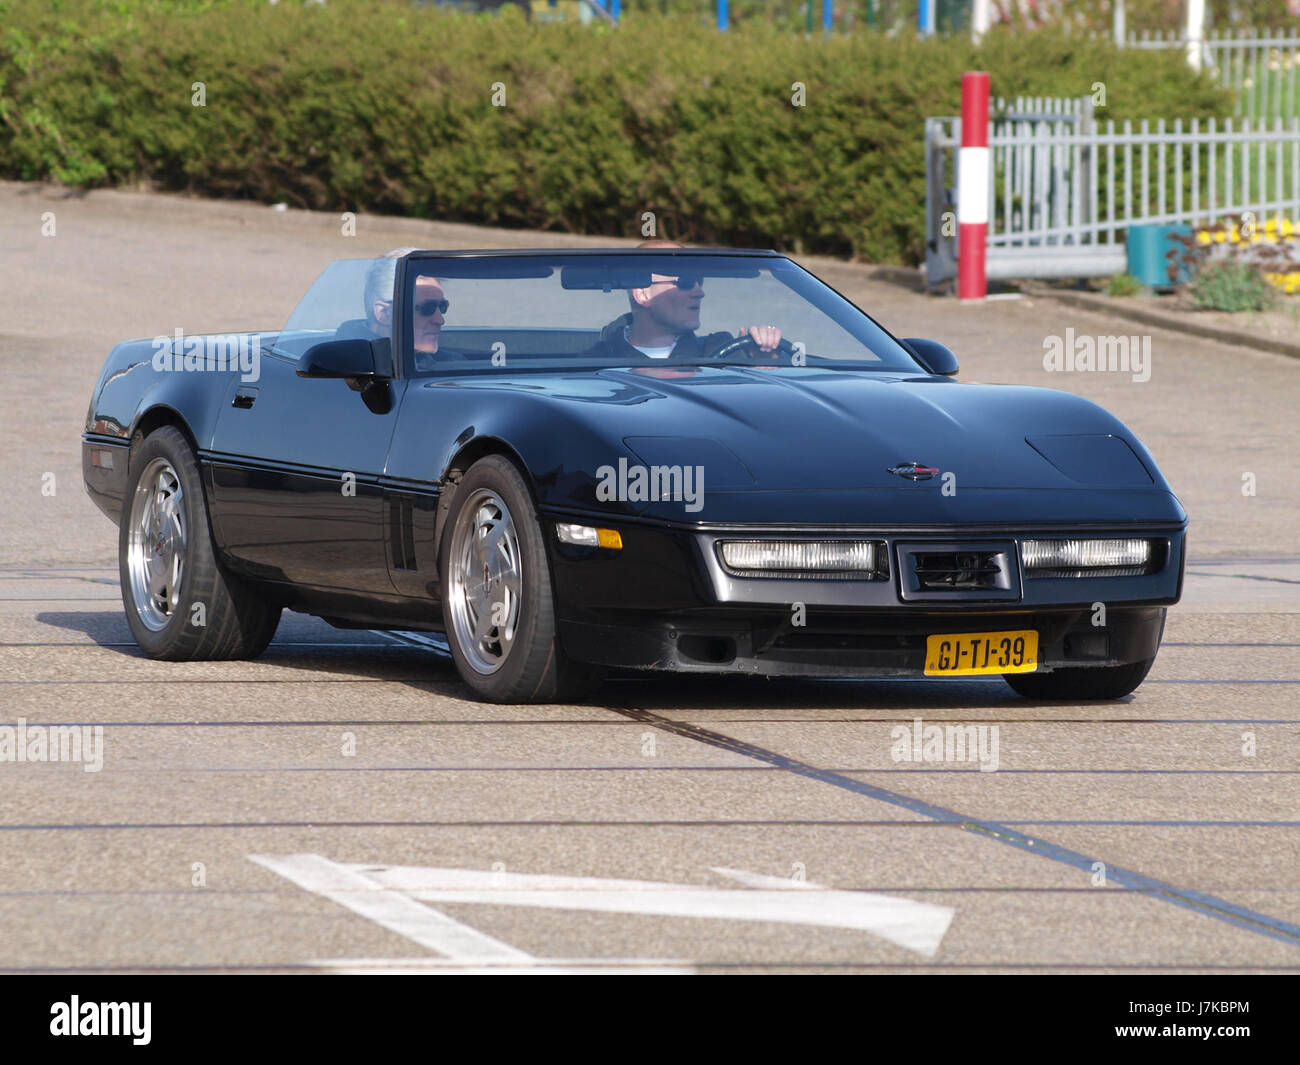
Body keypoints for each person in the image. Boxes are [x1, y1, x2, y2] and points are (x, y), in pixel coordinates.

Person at [585, 240, 782, 362]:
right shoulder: (593, 362)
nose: (699, 292)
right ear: (643, 294)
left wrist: (763, 360)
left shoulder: (726, 351)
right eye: (685, 281)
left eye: (699, 280)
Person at [359, 249, 465, 370]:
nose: (440, 320)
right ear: (384, 314)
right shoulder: (347, 368)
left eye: (442, 307)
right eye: (427, 308)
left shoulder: (453, 363)